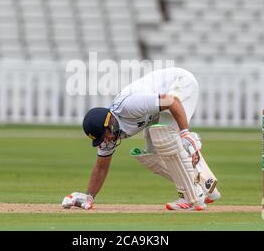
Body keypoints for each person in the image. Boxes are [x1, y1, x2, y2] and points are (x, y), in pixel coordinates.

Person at [62, 67, 221, 211]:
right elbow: (101, 168)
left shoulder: (128, 106)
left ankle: (193, 198)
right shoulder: (109, 134)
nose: (107, 140)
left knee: (165, 138)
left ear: (108, 122)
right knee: (152, 155)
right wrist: (89, 197)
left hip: (180, 83)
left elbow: (171, 101)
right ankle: (207, 188)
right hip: (164, 104)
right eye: (102, 139)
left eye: (105, 136)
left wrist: (185, 132)